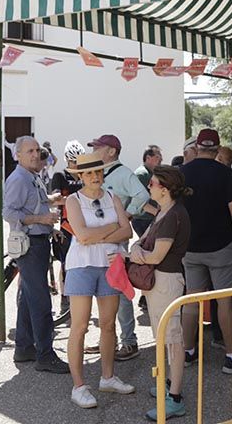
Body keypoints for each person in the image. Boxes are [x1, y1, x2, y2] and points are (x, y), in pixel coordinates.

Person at [180, 128, 232, 373]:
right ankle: (231, 357)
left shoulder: (182, 173)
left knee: (190, 300)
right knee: (225, 301)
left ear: (197, 147)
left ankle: (188, 351)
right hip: (222, 246)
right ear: (217, 148)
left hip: (190, 248)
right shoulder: (224, 173)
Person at [64, 151, 135, 408]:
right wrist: (111, 232)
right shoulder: (73, 200)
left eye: (98, 171)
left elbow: (128, 230)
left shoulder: (112, 197)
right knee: (80, 326)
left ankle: (108, 377)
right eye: (90, 173)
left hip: (110, 266)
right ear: (81, 176)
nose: (95, 176)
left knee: (108, 324)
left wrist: (99, 235)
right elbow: (81, 236)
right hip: (81, 266)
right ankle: (79, 386)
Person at [129, 165, 193, 420]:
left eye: (153, 183)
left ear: (164, 189)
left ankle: (175, 398)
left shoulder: (172, 215)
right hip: (160, 281)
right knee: (166, 338)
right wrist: (138, 251)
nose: (149, 186)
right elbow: (143, 242)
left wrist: (137, 254)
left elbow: (155, 254)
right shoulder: (165, 212)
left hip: (166, 281)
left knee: (173, 341)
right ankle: (169, 387)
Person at [3, 135, 69, 374]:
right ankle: (45, 354)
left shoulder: (32, 176)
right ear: (18, 155)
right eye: (29, 151)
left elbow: (36, 204)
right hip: (29, 244)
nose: (34, 154)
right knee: (40, 300)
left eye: (36, 150)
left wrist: (49, 223)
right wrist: (41, 219)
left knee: (28, 297)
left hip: (38, 241)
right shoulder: (19, 178)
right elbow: (8, 212)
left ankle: (24, 348)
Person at [93, 134, 156, 362]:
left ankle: (129, 341)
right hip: (99, 240)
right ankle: (107, 338)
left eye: (98, 147)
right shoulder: (100, 171)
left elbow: (143, 195)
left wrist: (127, 215)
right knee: (102, 290)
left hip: (115, 240)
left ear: (111, 151)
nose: (95, 150)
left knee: (119, 289)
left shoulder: (123, 173)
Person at [50, 141, 87, 315]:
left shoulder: (85, 174)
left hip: (85, 225)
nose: (76, 165)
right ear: (67, 160)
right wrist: (75, 199)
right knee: (66, 264)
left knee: (84, 264)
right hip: (67, 226)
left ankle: (81, 298)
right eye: (73, 162)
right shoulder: (60, 176)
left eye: (78, 161)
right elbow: (56, 199)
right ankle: (65, 300)